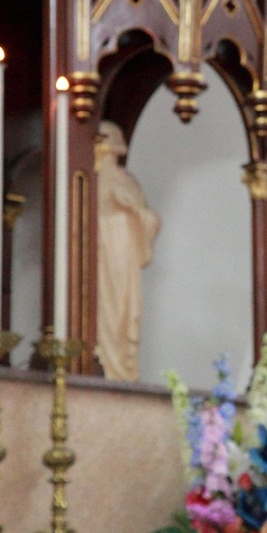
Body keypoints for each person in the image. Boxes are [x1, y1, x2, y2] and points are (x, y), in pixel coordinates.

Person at [94, 120, 162, 381]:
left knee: (122, 309)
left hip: (122, 249)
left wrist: (134, 209)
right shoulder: (87, 178)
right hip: (98, 251)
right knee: (102, 308)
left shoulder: (126, 180)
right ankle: (103, 363)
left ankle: (121, 369)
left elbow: (149, 220)